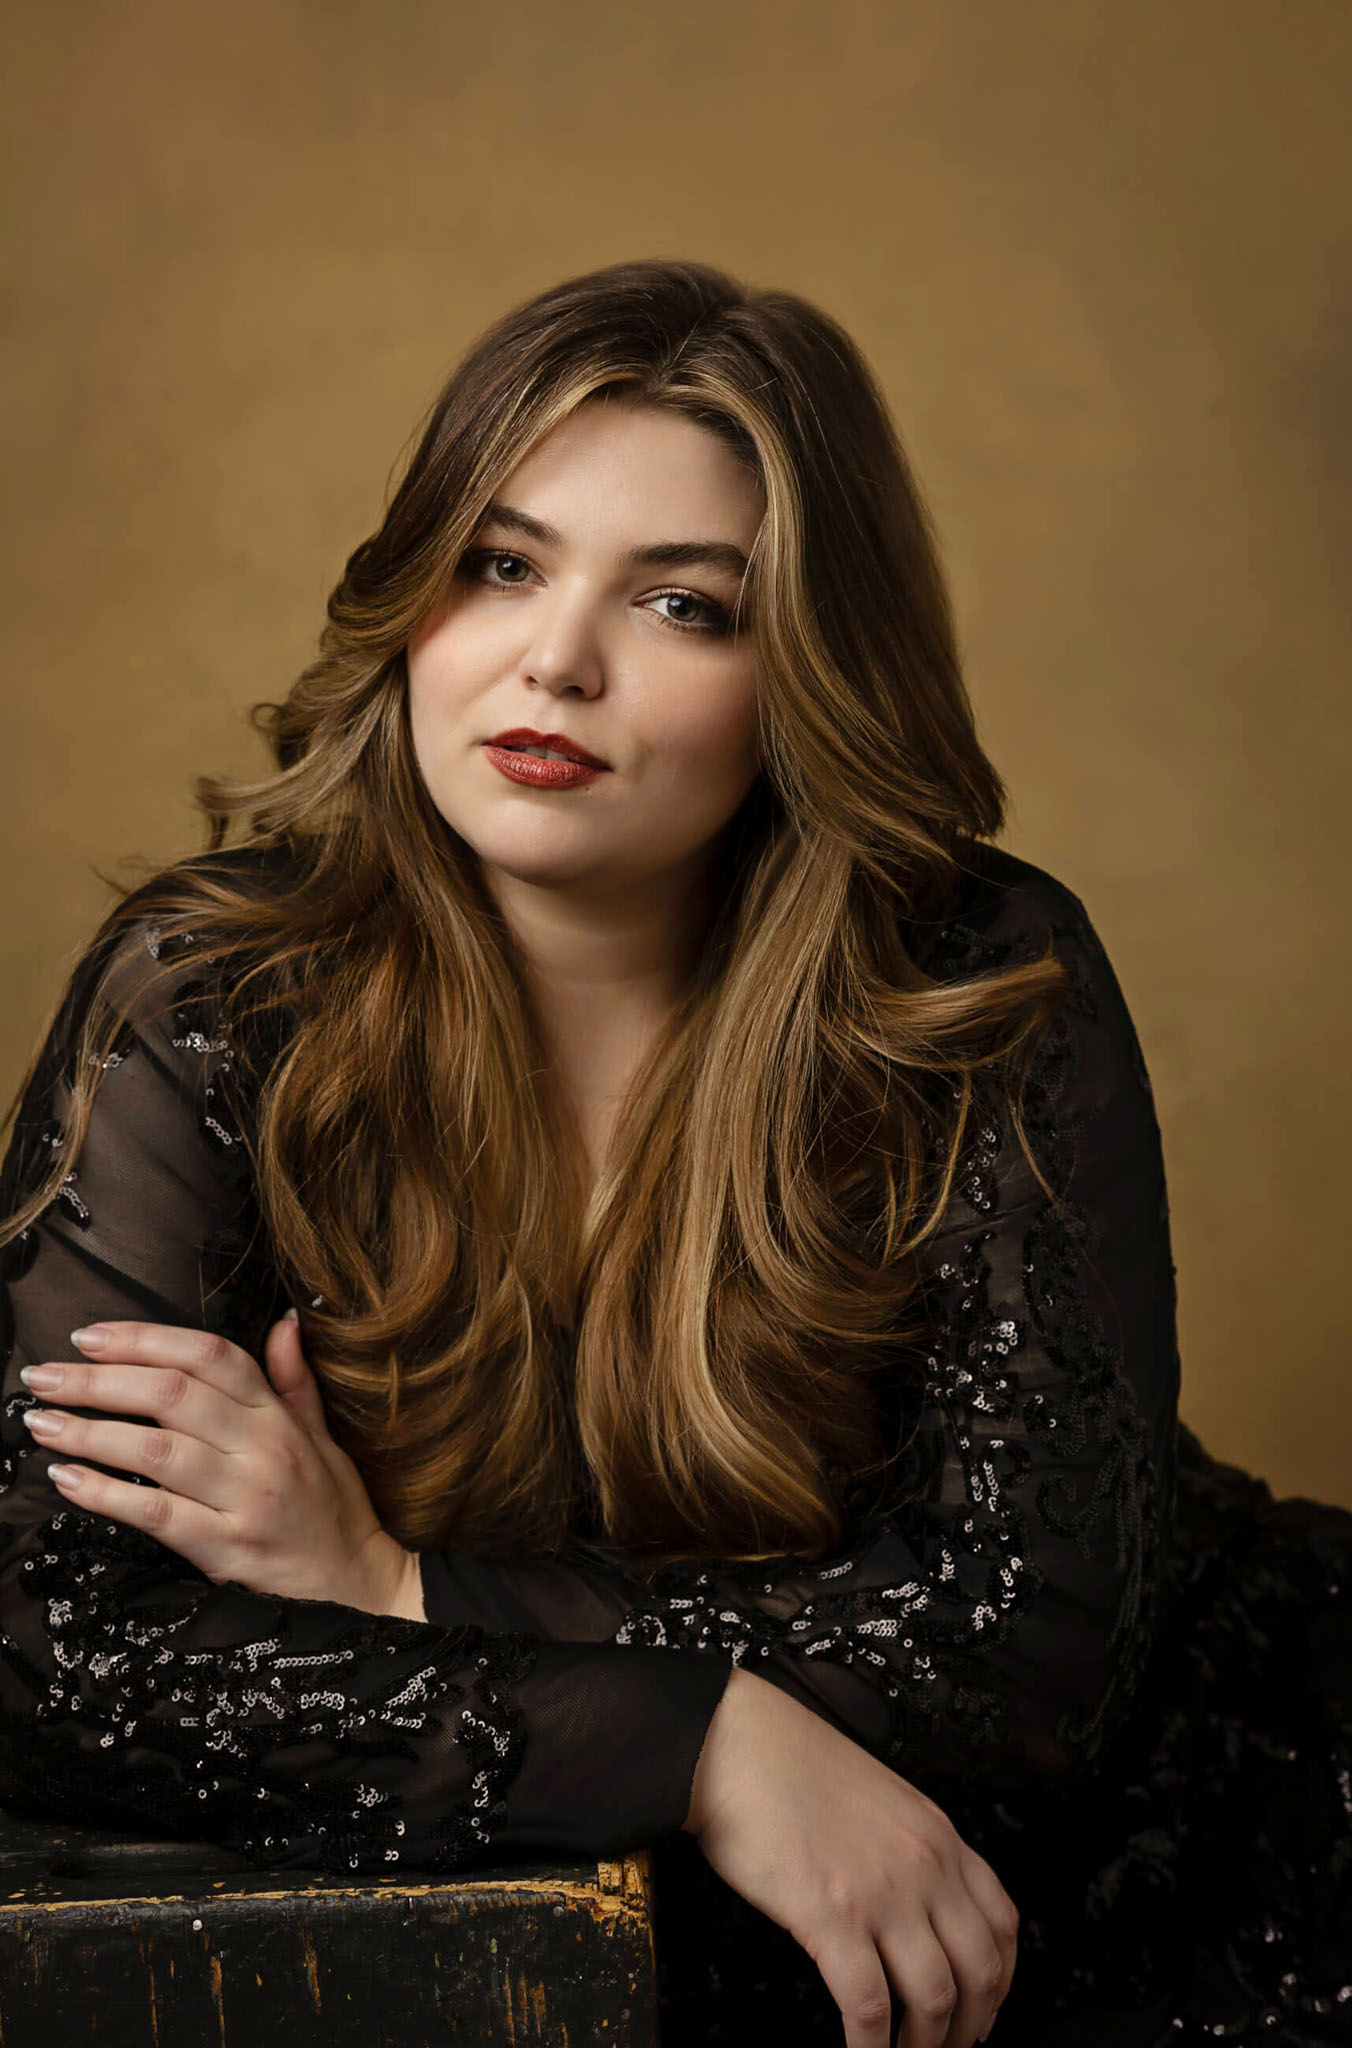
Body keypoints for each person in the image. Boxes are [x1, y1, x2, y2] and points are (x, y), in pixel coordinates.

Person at [0, 259, 1347, 2048]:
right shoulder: (212, 999)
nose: (556, 660)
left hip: (1162, 1831)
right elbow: (48, 1646)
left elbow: (1023, 1655)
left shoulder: (970, 979)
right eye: (502, 563)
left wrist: (401, 1593)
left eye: (686, 607)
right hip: (654, 1895)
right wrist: (699, 1738)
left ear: (810, 670)